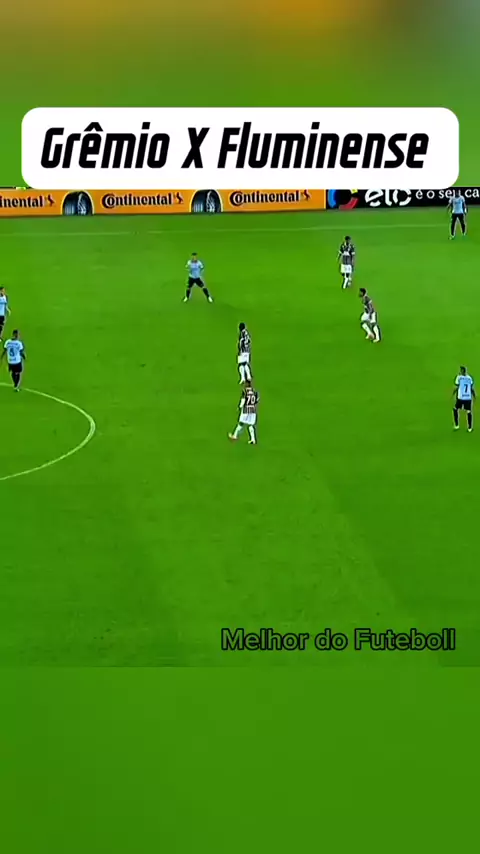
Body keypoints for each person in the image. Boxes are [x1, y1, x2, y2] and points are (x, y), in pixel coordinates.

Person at [453, 366, 475, 432]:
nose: (460, 371)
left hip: (461, 397)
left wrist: (453, 392)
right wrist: (474, 395)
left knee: (455, 409)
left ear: (462, 371)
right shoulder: (469, 378)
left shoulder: (459, 377)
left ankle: (456, 425)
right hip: (468, 397)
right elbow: (471, 387)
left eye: (460, 370)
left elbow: (457, 386)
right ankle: (470, 428)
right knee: (468, 411)